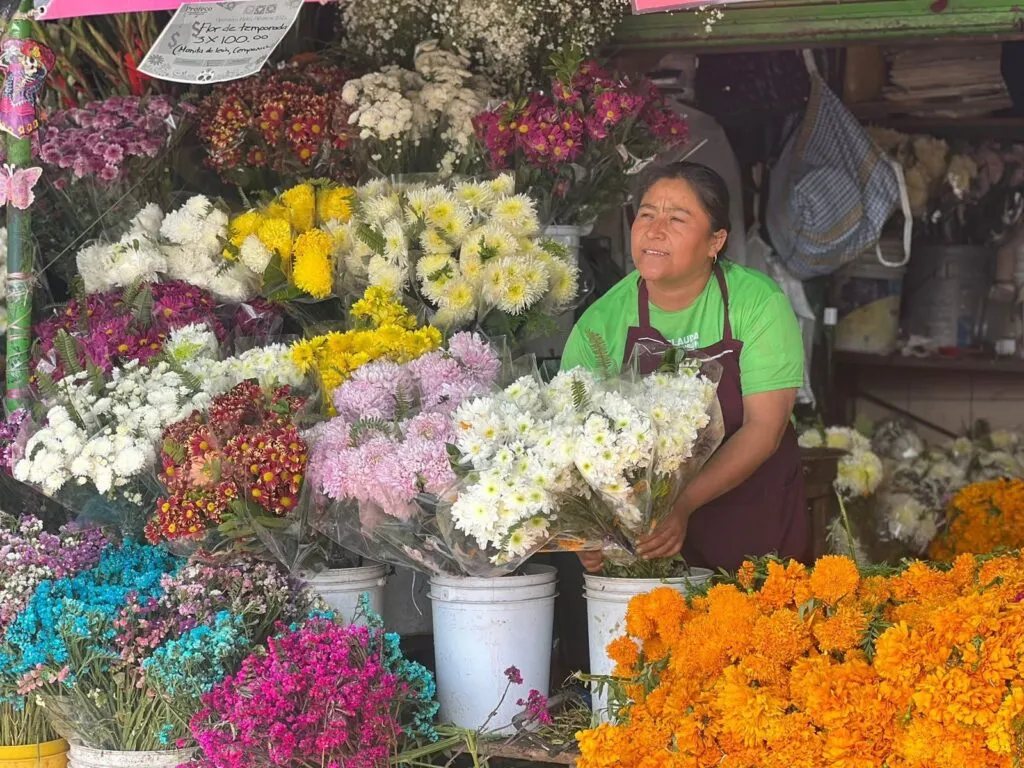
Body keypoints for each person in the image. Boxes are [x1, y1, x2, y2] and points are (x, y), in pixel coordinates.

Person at [561, 161, 809, 573]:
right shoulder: (602, 321)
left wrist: (684, 504)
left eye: (677, 218)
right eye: (645, 214)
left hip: (751, 522)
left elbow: (764, 428)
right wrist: (590, 530)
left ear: (716, 241)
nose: (654, 230)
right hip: (646, 540)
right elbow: (571, 438)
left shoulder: (757, 303)